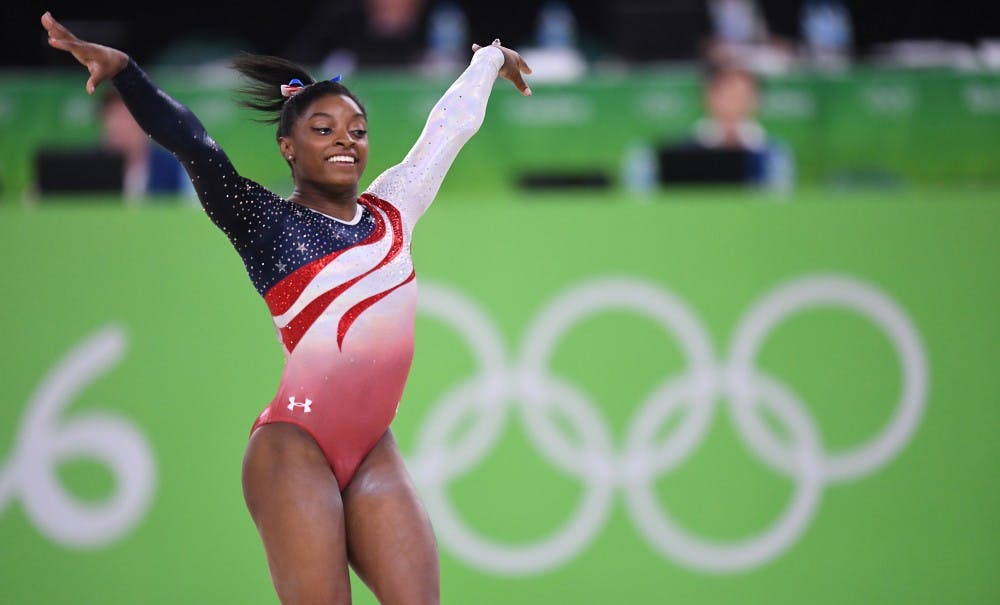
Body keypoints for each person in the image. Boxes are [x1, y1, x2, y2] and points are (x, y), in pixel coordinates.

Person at [41, 9, 531, 605]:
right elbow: (194, 143)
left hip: (373, 446)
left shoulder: (392, 211)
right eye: (323, 130)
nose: (345, 140)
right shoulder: (267, 224)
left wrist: (487, 60)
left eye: (356, 128)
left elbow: (447, 130)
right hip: (292, 446)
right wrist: (126, 71)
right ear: (288, 148)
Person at [98, 87, 193, 201]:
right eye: (115, 116)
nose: (121, 127)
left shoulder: (172, 166)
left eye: (128, 117)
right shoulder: (90, 167)